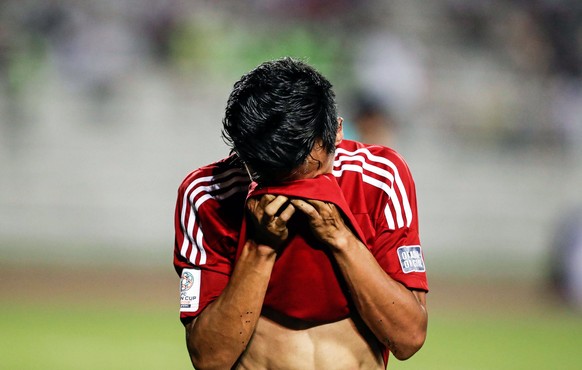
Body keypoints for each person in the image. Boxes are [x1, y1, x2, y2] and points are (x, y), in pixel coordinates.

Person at [173, 57, 428, 370]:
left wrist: (342, 239)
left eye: (308, 173)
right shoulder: (207, 194)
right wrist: (260, 248)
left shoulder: (380, 177)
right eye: (269, 175)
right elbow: (208, 359)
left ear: (336, 133)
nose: (292, 194)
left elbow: (408, 338)